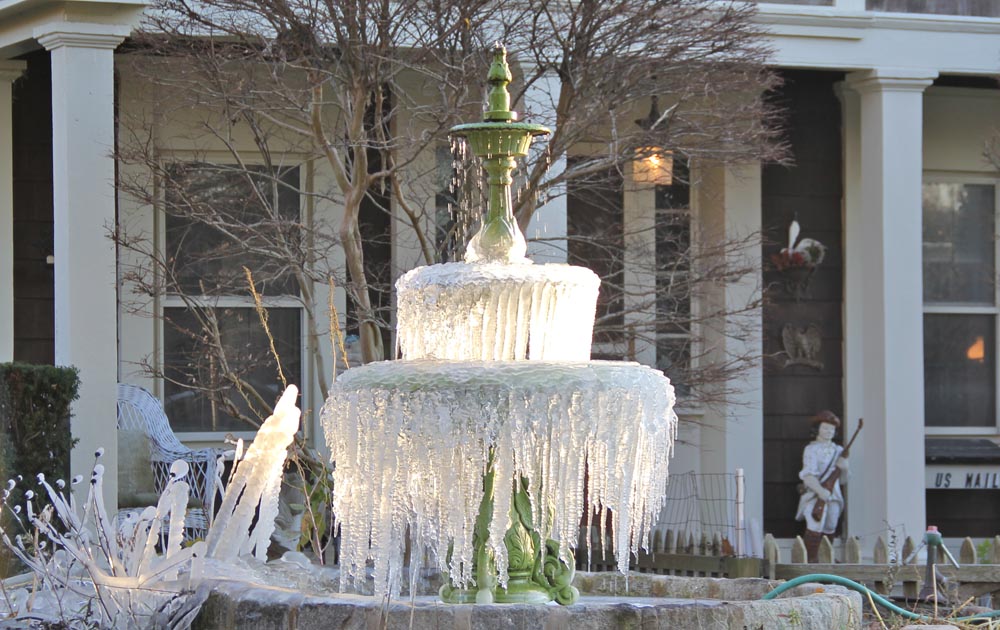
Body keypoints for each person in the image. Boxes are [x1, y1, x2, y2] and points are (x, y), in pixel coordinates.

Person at [795, 410, 848, 562]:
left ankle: (825, 559)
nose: (828, 432)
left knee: (831, 525)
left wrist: (844, 468)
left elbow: (843, 480)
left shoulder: (838, 451)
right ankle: (811, 560)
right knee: (815, 524)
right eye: (825, 428)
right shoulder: (811, 450)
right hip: (814, 495)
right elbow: (808, 475)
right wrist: (821, 491)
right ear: (817, 429)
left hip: (834, 495)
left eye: (831, 429)